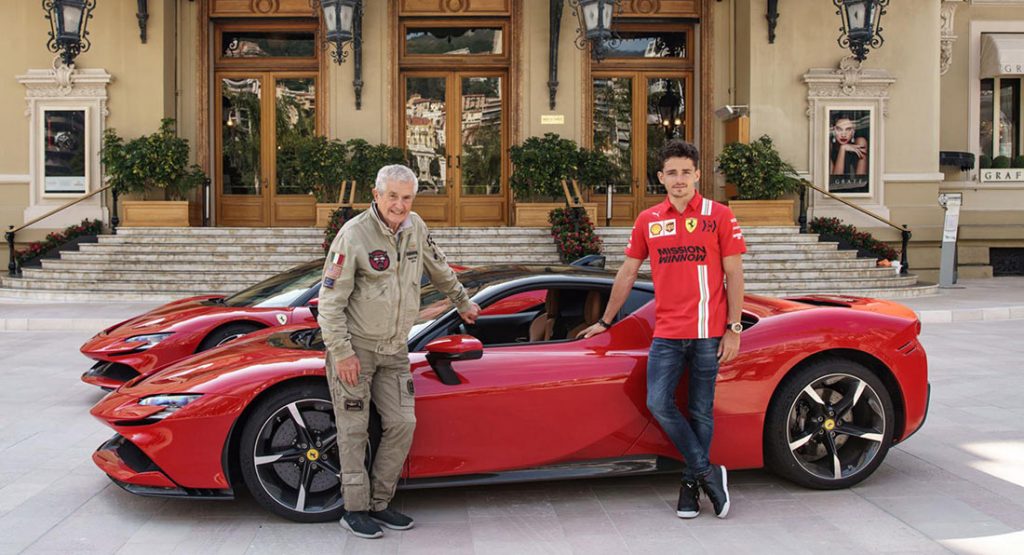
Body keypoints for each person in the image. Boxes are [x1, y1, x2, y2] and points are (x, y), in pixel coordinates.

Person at [579, 140, 746, 519]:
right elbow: (627, 271)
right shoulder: (648, 220)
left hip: (708, 332)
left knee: (701, 411)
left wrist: (733, 328)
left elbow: (734, 274)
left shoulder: (719, 216)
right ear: (661, 177)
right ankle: (707, 472)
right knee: (658, 402)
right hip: (667, 333)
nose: (679, 179)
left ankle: (689, 487)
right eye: (672, 172)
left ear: (698, 175)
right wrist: (605, 320)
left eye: (686, 172)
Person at [318, 164, 480, 539]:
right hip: (355, 348)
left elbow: (438, 267)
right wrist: (342, 352)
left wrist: (462, 302)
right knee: (354, 429)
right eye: (393, 196)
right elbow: (330, 301)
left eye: (407, 198)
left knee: (403, 424)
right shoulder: (353, 235)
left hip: (394, 349)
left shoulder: (416, 228)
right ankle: (355, 509)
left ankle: (379, 503)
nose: (400, 205)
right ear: (376, 195)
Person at [830, 112, 868, 177]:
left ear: (853, 131)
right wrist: (843, 148)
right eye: (839, 129)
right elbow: (835, 180)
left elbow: (860, 179)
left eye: (848, 129)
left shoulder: (860, 142)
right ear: (833, 130)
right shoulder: (830, 146)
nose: (843, 135)